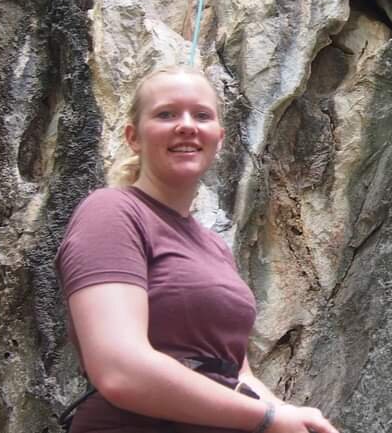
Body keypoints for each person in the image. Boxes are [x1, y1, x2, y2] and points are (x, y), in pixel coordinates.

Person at [56, 65, 339, 433]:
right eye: (166, 114)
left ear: (218, 138)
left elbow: (233, 370)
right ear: (133, 137)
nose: (187, 125)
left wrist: (289, 414)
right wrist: (267, 419)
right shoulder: (112, 211)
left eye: (201, 115)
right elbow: (119, 369)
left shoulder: (214, 247)